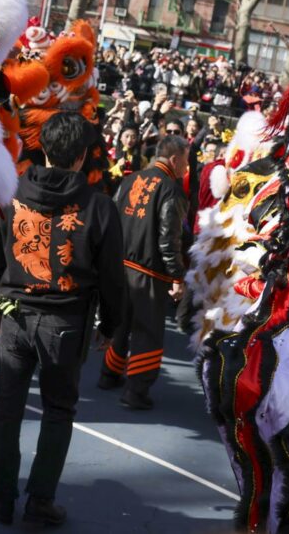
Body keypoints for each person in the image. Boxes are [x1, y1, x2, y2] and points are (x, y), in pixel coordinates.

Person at [0, 112, 125, 526]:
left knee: (7, 410)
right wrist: (112, 326)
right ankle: (39, 501)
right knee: (58, 411)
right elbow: (114, 277)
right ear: (82, 157)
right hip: (65, 321)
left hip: (14, 315)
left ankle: (3, 495)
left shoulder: (12, 193)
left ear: (42, 147)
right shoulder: (98, 207)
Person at [99, 134, 188, 409]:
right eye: (185, 161)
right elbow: (168, 239)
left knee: (120, 323)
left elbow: (111, 220)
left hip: (119, 264)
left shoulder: (129, 179)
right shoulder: (170, 189)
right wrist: (177, 275)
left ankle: (109, 374)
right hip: (149, 271)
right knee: (147, 332)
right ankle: (136, 390)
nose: (187, 167)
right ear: (174, 159)